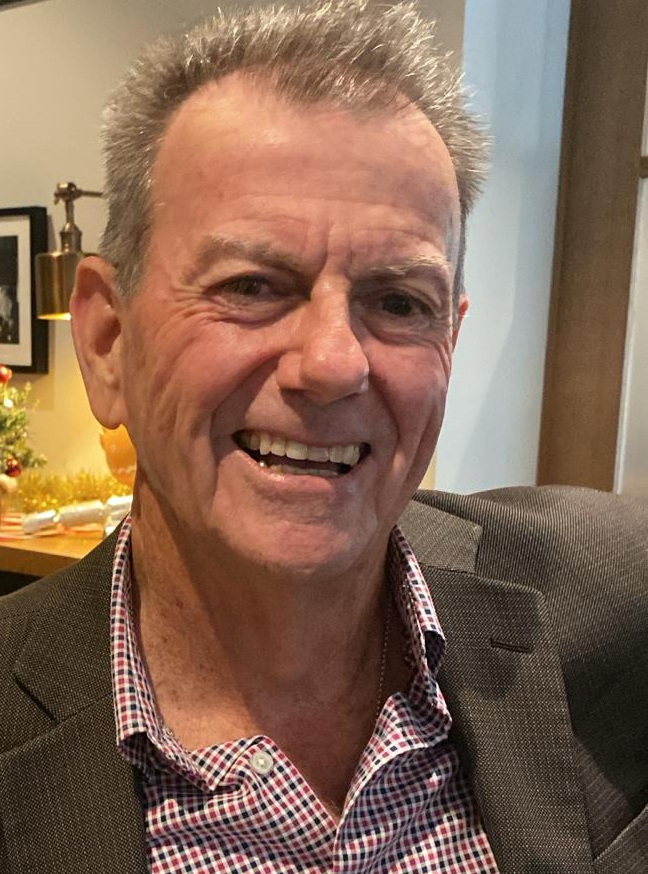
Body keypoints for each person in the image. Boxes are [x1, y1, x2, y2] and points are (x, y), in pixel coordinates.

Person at [0, 2, 646, 872]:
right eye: (254, 284)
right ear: (108, 341)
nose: (335, 363)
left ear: (449, 339)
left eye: (398, 302)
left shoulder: (604, 591)